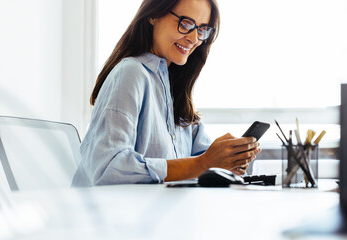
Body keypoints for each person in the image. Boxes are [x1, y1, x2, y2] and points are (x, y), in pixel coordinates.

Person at [72, 0, 261, 186]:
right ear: (154, 14)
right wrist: (203, 163)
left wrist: (227, 161)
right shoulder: (131, 72)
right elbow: (108, 168)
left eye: (202, 30)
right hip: (114, 214)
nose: (194, 39)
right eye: (186, 23)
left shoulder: (174, 88)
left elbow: (200, 158)